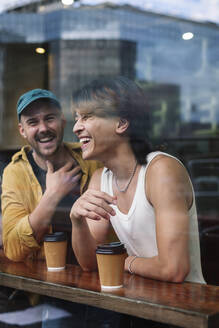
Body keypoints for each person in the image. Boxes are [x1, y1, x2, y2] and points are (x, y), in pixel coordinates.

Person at [1, 89, 122, 328]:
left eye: (50, 118)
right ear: (22, 130)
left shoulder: (92, 157)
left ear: (63, 122)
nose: (43, 128)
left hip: (105, 287)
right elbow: (14, 248)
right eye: (33, 122)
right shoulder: (15, 173)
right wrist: (52, 195)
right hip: (53, 294)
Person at [70, 76, 205, 285]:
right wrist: (77, 221)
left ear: (122, 123)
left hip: (185, 310)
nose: (76, 127)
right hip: (138, 304)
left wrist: (124, 262)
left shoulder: (161, 170)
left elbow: (174, 269)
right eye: (76, 118)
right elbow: (90, 263)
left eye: (86, 117)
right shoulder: (100, 178)